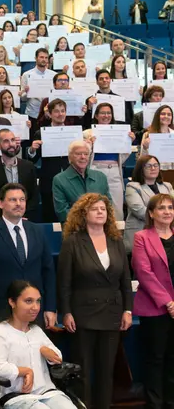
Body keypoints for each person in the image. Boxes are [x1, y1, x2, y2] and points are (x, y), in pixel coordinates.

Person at [58, 192, 133, 409]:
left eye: (103, 209)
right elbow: (64, 281)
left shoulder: (116, 240)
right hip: (83, 315)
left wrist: (128, 310)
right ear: (83, 213)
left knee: (106, 372)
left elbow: (125, 279)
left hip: (112, 314)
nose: (100, 212)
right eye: (94, 209)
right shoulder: (72, 241)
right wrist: (66, 311)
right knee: (82, 372)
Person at [0, 183, 56, 331]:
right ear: (0, 203)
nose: (18, 204)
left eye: (22, 200)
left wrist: (50, 307)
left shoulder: (37, 231)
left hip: (35, 310)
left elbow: (48, 272)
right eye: (13, 200)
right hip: (2, 311)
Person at [0, 281, 77, 409]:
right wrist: (26, 371)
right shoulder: (1, 331)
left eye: (38, 301)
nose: (35, 307)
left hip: (46, 392)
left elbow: (58, 357)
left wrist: (46, 350)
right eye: (29, 301)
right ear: (12, 302)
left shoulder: (36, 330)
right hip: (16, 396)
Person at [132, 193, 174, 409]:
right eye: (161, 208)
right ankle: (155, 404)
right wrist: (168, 302)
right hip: (155, 308)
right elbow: (143, 272)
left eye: (170, 207)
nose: (167, 211)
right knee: (155, 359)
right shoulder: (142, 237)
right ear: (151, 213)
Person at [0, 129, 40, 222]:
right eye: (6, 141)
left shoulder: (28, 166)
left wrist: (22, 216)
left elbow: (34, 196)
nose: (11, 144)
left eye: (13, 140)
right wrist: (6, 218)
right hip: (1, 221)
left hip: (26, 219)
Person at [52, 140, 111, 222]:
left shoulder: (100, 177)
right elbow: (62, 211)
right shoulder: (59, 180)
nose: (83, 157)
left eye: (86, 154)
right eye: (78, 154)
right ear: (70, 157)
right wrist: (88, 221)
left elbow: (108, 205)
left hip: (100, 228)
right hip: (75, 230)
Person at [125, 155, 174, 253]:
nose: (153, 168)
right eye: (148, 166)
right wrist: (164, 218)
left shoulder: (167, 186)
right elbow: (140, 211)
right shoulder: (132, 187)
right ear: (140, 169)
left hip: (166, 233)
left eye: (156, 165)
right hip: (142, 231)